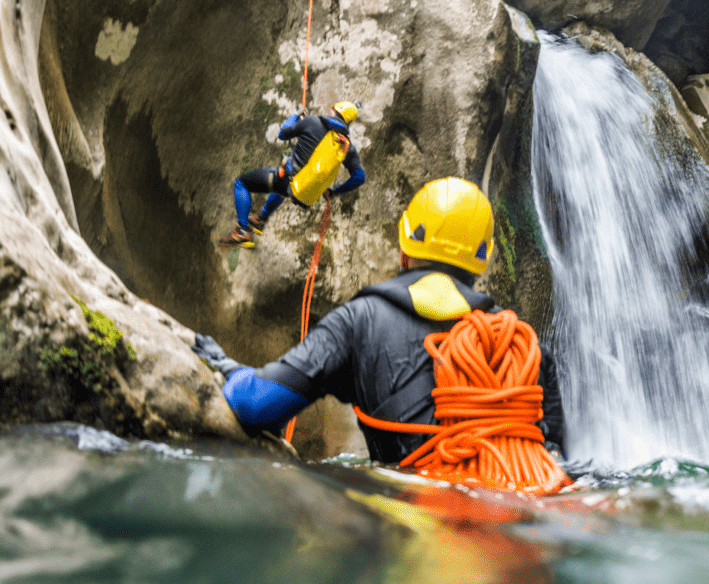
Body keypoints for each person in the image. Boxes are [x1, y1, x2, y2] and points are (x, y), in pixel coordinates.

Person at [196, 177, 565, 463]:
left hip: (413, 524)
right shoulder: (524, 345)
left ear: (405, 249)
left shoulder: (360, 321)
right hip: (516, 528)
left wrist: (229, 367)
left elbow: (257, 405)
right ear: (481, 262)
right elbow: (556, 457)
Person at [219, 101, 366, 248]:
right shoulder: (346, 147)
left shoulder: (312, 122)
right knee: (283, 188)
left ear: (335, 111)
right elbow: (359, 178)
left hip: (285, 179)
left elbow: (283, 133)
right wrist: (333, 193)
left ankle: (242, 232)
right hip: (301, 189)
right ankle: (261, 219)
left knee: (241, 183)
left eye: (332, 109)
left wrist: (296, 115)